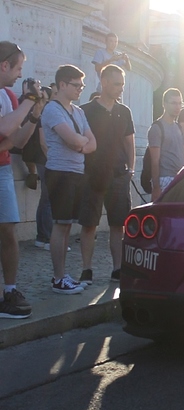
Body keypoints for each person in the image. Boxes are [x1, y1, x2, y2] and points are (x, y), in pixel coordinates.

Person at [41, 64, 96, 294]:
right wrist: (79, 142)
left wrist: (79, 143)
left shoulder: (79, 112)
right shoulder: (52, 109)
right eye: (76, 85)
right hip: (60, 173)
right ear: (62, 84)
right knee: (61, 224)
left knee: (67, 226)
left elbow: (92, 143)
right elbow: (72, 139)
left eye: (82, 85)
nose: (80, 89)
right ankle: (58, 278)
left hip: (77, 172)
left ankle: (63, 276)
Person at [78, 65, 135, 285]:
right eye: (117, 84)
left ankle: (118, 269)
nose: (121, 88)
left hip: (119, 175)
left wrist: (130, 168)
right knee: (89, 223)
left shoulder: (125, 111)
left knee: (118, 224)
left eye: (122, 84)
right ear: (104, 82)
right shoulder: (86, 111)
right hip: (92, 175)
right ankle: (86, 269)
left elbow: (129, 143)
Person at [0, 41, 44, 318]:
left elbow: (16, 141)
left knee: (8, 229)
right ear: (4, 65)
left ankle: (10, 291)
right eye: (17, 68)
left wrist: (35, 113)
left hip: (2, 168)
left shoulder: (8, 97)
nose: (20, 75)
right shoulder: (16, 98)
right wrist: (29, 99)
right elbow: (4, 128)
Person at [20, 85, 53, 249]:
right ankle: (46, 238)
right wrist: (52, 160)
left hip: (40, 158)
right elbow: (43, 141)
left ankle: (42, 237)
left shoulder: (40, 112)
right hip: (45, 159)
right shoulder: (43, 113)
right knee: (48, 200)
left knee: (45, 199)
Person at [148, 88, 184, 202]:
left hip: (180, 178)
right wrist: (156, 187)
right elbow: (154, 161)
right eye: (174, 103)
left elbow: (183, 155)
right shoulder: (157, 127)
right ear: (164, 104)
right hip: (164, 179)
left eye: (180, 103)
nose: (177, 107)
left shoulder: (179, 127)